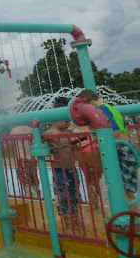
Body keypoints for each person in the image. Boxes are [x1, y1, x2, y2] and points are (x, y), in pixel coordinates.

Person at [76, 89, 140, 211]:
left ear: (88, 103)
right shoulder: (111, 108)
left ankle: (134, 219)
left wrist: (101, 141)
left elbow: (115, 132)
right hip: (128, 148)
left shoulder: (102, 110)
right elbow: (125, 128)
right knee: (126, 190)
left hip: (123, 151)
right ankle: (133, 217)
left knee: (124, 191)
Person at [43, 97, 82, 232]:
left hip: (73, 171)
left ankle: (77, 224)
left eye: (69, 120)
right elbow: (38, 145)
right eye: (65, 120)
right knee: (64, 201)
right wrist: (46, 149)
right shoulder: (49, 134)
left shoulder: (69, 133)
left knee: (75, 200)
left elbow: (76, 149)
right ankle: (69, 226)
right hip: (60, 172)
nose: (68, 123)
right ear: (56, 117)